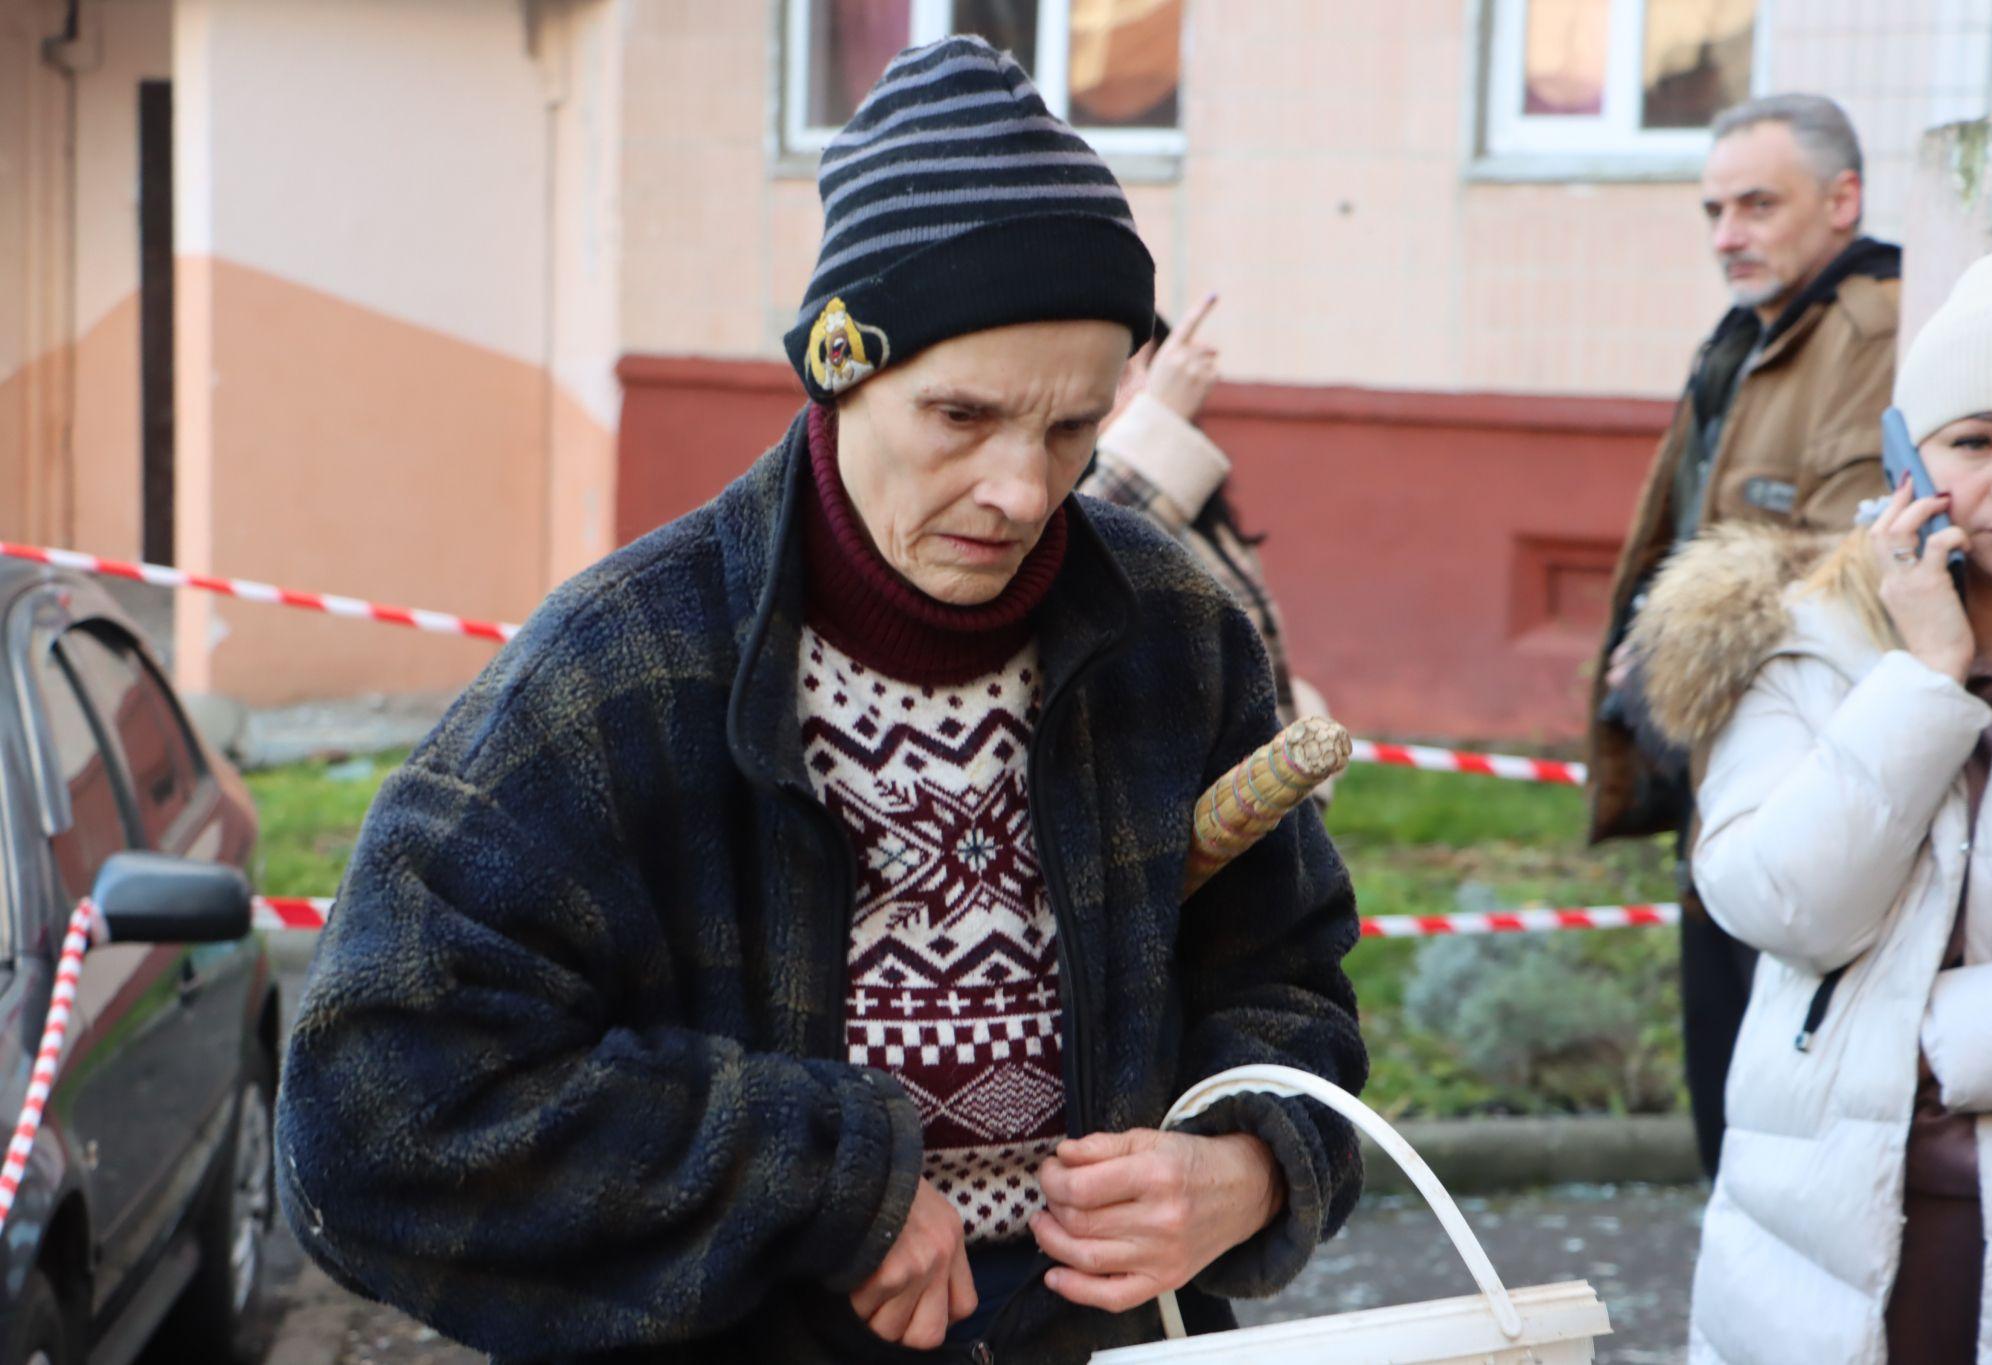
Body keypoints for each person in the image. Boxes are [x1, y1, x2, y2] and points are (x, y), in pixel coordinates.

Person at [274, 36, 1364, 1365]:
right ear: (839, 366)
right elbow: (372, 1113)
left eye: (1074, 428)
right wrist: (822, 1182)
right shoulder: (621, 668)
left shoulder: (1174, 634)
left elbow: (1288, 982)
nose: (1024, 491)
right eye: (962, 415)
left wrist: (1250, 1165)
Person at [1629, 250, 1992, 1363]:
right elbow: (1782, 906)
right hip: (1818, 1231)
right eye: (1974, 442)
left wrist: (1924, 1034)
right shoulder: (1804, 638)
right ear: (1907, 455)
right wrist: (1924, 677)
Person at [1587, 92, 1898, 1176]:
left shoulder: (1870, 326)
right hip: (1721, 764)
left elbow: (1859, 552)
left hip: (1810, 781)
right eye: (1713, 209)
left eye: (1756, 204)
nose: (1726, 234)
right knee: (1723, 1104)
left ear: (1840, 200)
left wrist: (1668, 638)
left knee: (1775, 1126)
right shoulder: (1750, 334)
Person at [1080, 295, 1330, 734]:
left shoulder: (1192, 502)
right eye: (1120, 375)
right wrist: (1159, 418)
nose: (1146, 391)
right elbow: (1088, 558)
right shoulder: (1054, 503)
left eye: (1155, 372)